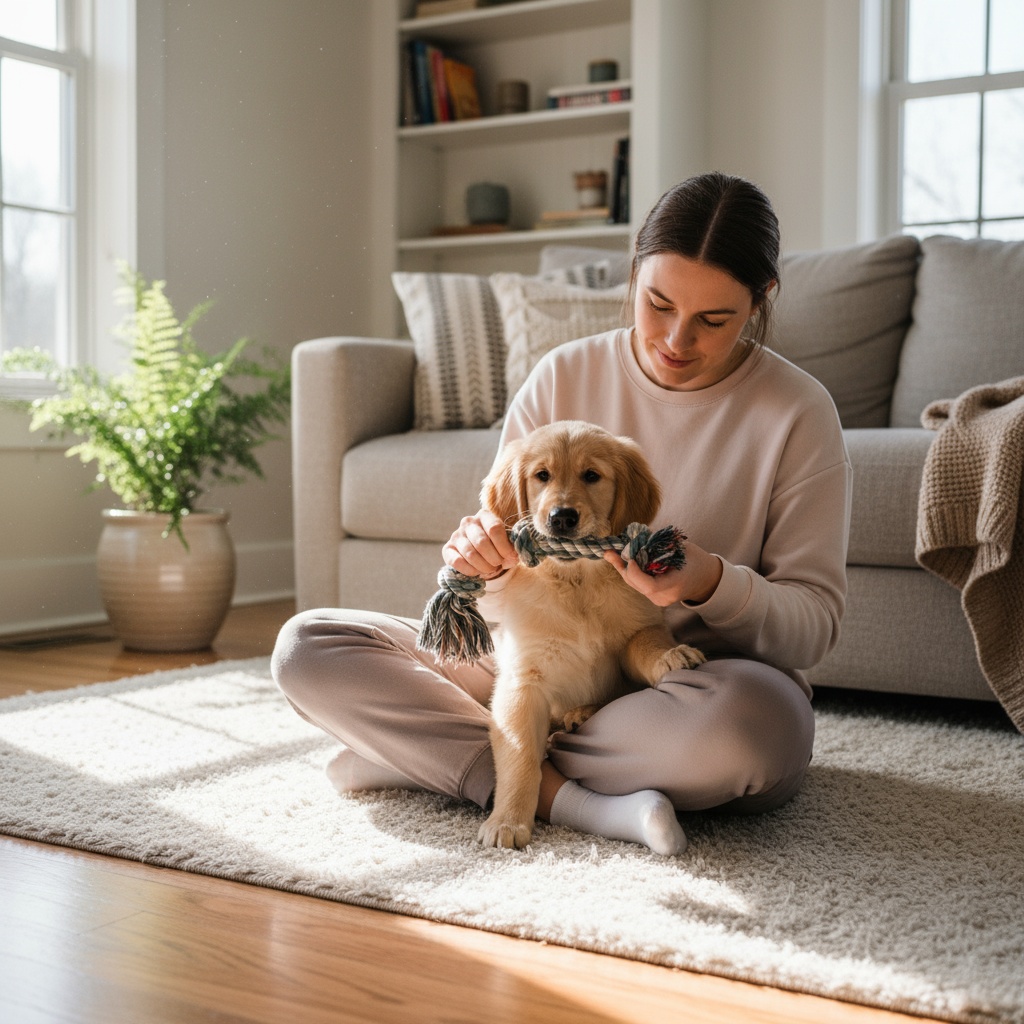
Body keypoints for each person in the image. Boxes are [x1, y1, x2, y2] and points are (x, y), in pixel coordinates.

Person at [272, 172, 852, 856]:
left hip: (689, 688)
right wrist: (482, 563)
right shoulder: (561, 374)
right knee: (310, 648)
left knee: (746, 739)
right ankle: (564, 797)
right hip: (538, 666)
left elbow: (813, 628)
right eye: (657, 303)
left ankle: (430, 758)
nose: (675, 339)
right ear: (633, 275)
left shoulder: (799, 412)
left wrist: (708, 583)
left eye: (714, 320)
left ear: (761, 302)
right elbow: (499, 586)